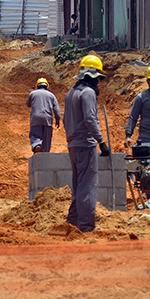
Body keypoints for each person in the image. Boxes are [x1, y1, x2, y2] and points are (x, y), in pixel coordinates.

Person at [63, 55, 109, 233]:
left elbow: (67, 120)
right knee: (88, 186)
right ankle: (86, 225)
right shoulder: (88, 93)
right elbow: (91, 120)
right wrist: (101, 142)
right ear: (91, 75)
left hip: (73, 144)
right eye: (98, 78)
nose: (99, 82)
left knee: (78, 185)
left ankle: (73, 221)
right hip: (86, 144)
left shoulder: (71, 92)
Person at [26, 78, 61, 153]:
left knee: (34, 135)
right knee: (47, 138)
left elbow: (27, 104)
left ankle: (36, 145)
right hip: (47, 119)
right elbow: (56, 108)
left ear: (37, 86)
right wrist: (58, 119)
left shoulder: (33, 93)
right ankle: (45, 152)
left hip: (36, 118)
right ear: (47, 86)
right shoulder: (51, 95)